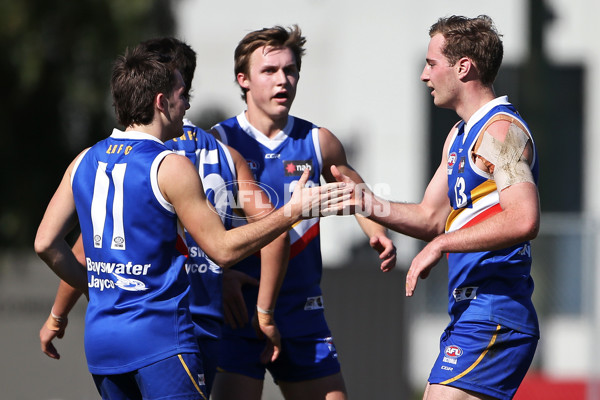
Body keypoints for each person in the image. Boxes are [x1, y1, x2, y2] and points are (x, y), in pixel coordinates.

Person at [34, 44, 352, 400]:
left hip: (102, 341)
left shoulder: (84, 160)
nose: (186, 105)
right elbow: (222, 250)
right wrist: (293, 211)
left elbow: (46, 243)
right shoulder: (170, 165)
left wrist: (96, 292)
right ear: (160, 101)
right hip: (162, 339)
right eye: (182, 95)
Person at [334, 15, 540, 400]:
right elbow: (432, 217)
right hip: (469, 312)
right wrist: (367, 203)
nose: (423, 75)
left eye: (431, 64)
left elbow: (524, 217)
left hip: (496, 311)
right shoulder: (460, 135)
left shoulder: (501, 132)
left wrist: (443, 244)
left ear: (464, 67)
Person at [209, 25, 397, 400]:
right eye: (270, 71)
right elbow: (194, 223)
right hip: (240, 312)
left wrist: (375, 229)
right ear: (242, 79)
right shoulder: (218, 142)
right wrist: (221, 273)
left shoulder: (318, 140)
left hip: (302, 309)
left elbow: (351, 184)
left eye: (290, 70)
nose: (283, 80)